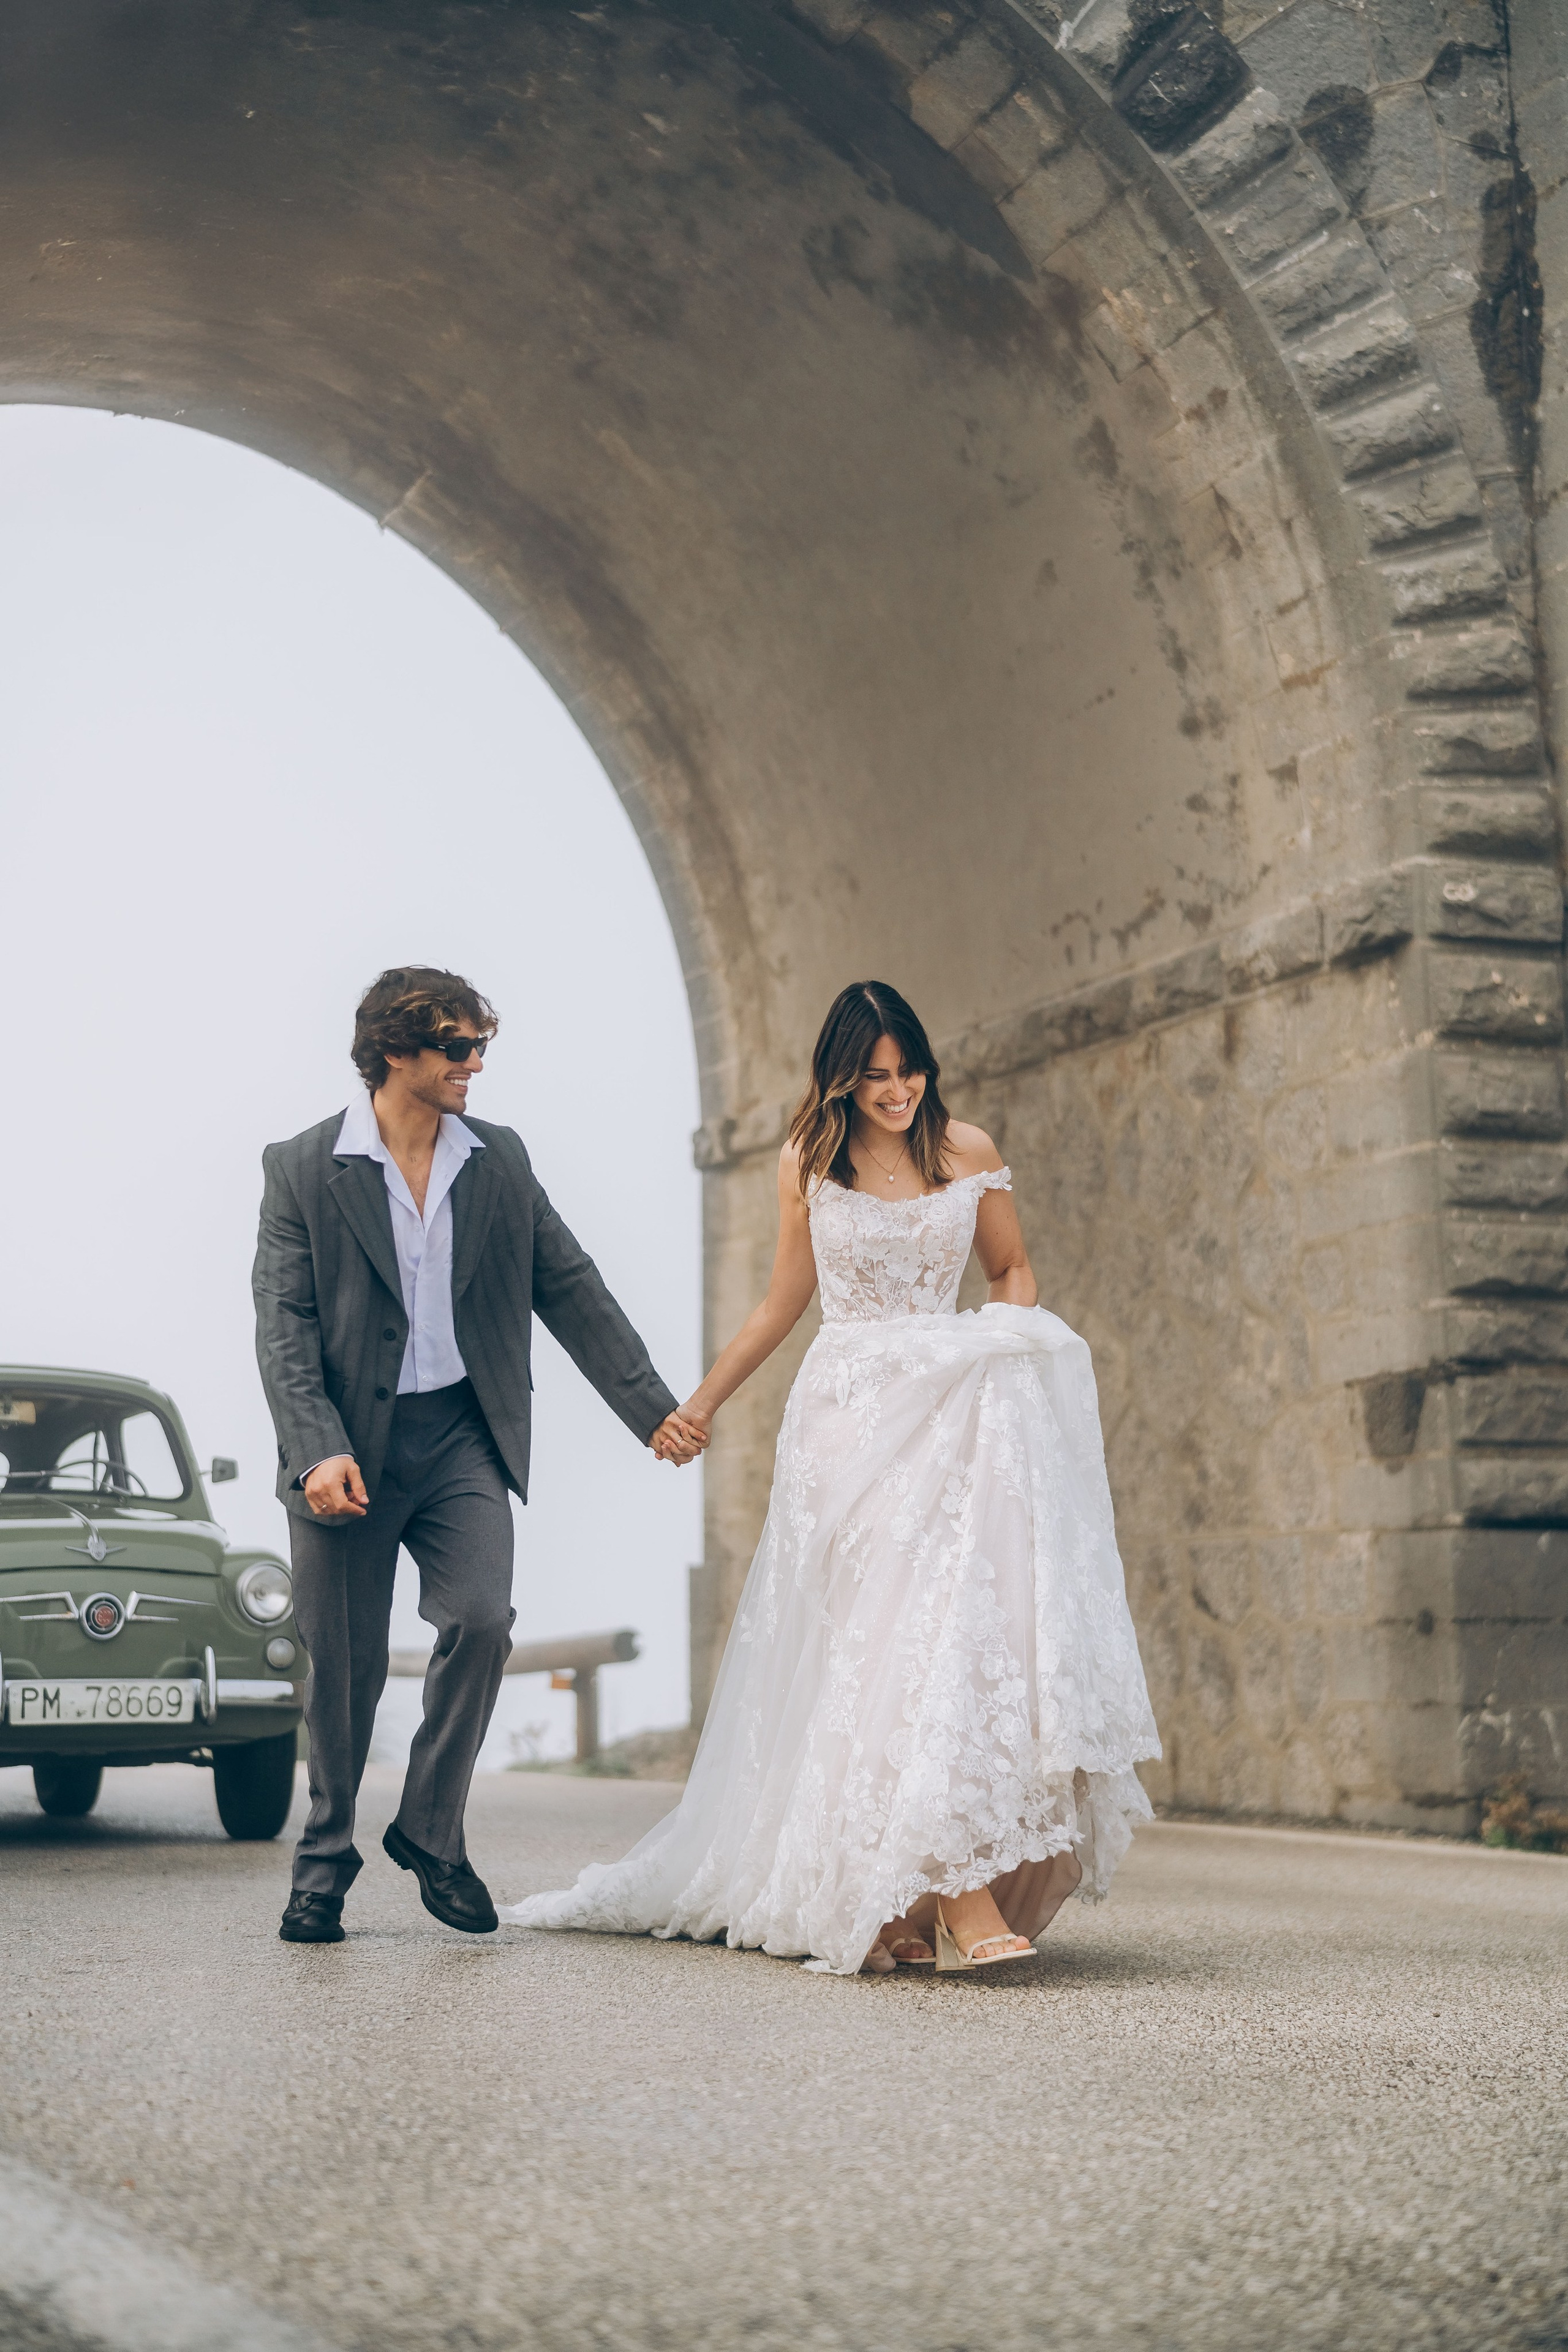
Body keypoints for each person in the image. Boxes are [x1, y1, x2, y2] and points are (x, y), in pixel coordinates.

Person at [503, 981, 1159, 1975]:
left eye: (910, 1072)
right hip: (847, 1420)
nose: (897, 1092)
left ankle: (939, 1889)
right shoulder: (808, 1161)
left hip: (950, 1414)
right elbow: (782, 1304)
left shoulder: (968, 1152)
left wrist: (1005, 1343)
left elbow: (1011, 1269)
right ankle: (927, 1896)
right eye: (876, 1076)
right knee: (879, 1644)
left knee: (945, 1637)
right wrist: (700, 1404)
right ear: (843, 1079)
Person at [252, 966, 704, 1947]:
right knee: (347, 1667)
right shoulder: (301, 1169)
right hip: (347, 1450)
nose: (474, 1064)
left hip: (460, 1433)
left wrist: (653, 1409)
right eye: (456, 1047)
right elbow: (283, 1329)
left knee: (482, 1619)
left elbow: (571, 1286)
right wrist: (316, 1450)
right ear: (394, 1052)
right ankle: (324, 1864)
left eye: (479, 1045)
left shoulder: (497, 1161)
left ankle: (430, 1830)